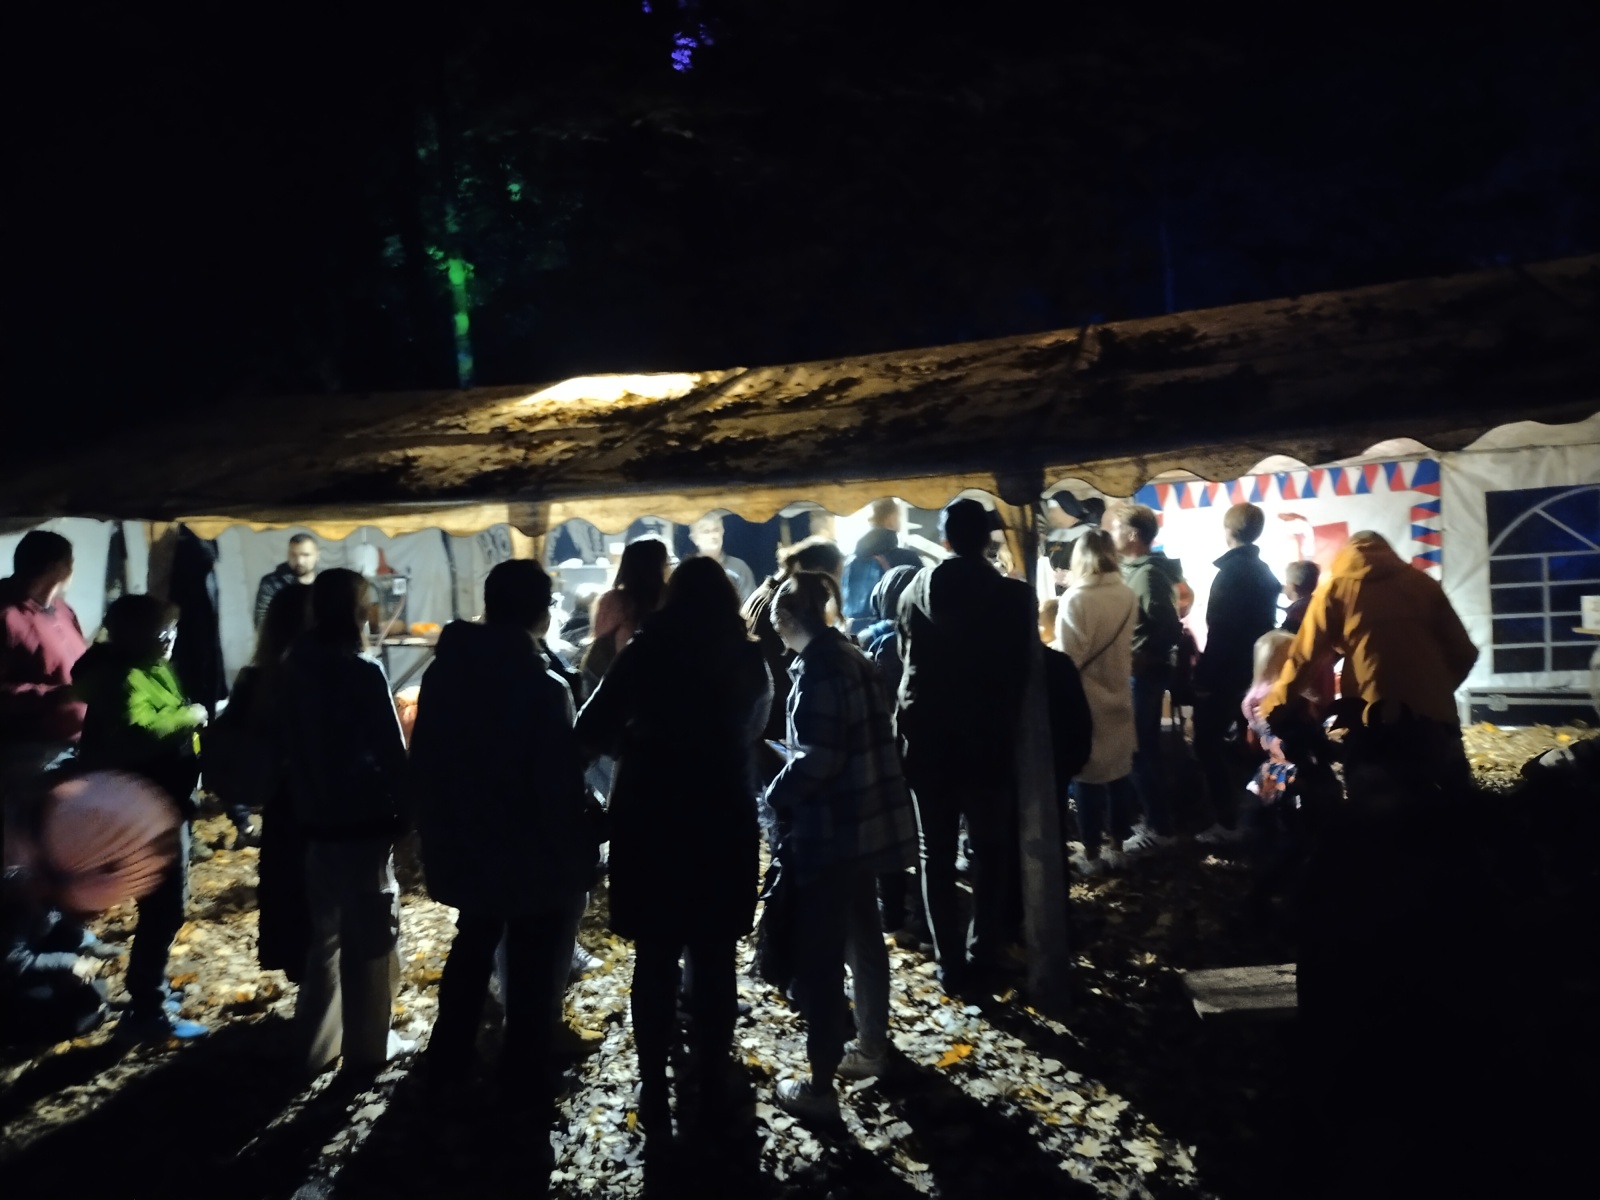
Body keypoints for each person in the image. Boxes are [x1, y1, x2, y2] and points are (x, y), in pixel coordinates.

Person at [575, 557, 771, 1140]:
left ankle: (653, 1084)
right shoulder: (748, 657)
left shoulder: (646, 650)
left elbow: (590, 730)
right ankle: (711, 1077)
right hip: (723, 816)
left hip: (652, 816)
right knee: (714, 955)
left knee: (656, 956)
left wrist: (636, 741)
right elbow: (754, 729)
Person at [412, 561, 597, 1104]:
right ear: (542, 614)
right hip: (529, 844)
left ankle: (448, 1056)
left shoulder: (444, 673)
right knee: (532, 958)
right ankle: (521, 1071)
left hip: (463, 835)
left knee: (474, 939)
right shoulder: (543, 686)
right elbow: (557, 782)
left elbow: (425, 760)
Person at [762, 573, 919, 1120]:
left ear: (787, 620)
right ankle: (872, 1044)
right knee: (864, 936)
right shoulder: (852, 656)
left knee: (824, 954)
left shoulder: (820, 669)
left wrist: (776, 791)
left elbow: (819, 759)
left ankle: (820, 1084)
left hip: (834, 829)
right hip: (866, 819)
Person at [895, 499, 1036, 992]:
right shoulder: (1013, 598)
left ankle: (948, 961)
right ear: (989, 540)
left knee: (933, 852)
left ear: (947, 539)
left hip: (926, 739)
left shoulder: (913, 591)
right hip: (986, 739)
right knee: (988, 849)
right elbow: (1022, 670)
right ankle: (983, 951)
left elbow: (906, 658)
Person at [281, 569, 412, 1077]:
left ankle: (315, 1044)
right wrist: (409, 810)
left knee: (327, 937)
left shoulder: (294, 665)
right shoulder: (360, 670)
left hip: (313, 815)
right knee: (371, 936)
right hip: (362, 815)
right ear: (357, 610)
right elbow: (390, 751)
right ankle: (368, 1047)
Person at [73, 594, 211, 1041]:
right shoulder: (125, 677)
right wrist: (191, 716)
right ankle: (146, 1006)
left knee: (162, 905)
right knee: (164, 906)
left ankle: (151, 990)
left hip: (160, 800)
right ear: (132, 635)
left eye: (172, 629)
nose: (170, 638)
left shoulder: (149, 666)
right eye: (161, 631)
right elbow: (140, 732)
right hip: (147, 809)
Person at [1263, 531, 1478, 790]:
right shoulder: (1423, 584)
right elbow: (1465, 653)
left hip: (1372, 718)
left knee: (1377, 803)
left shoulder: (1335, 590)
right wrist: (1437, 691)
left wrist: (1275, 706)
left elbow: (1303, 657)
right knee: (1450, 804)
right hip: (1434, 720)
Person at [2, 771, 181, 1047]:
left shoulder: (50, 877)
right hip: (9, 971)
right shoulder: (21, 893)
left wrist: (87, 944)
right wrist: (68, 962)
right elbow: (12, 959)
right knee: (68, 1012)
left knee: (89, 996)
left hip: (30, 952)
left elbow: (60, 923)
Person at [210, 586, 313, 972]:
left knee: (288, 888)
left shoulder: (257, 679)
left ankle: (299, 970)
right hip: (322, 804)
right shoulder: (324, 676)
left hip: (281, 804)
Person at [1192, 503, 1281, 844]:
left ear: (1228, 530)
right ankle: (1256, 815)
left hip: (1228, 675)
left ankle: (1227, 821)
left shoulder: (1230, 574)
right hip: (1254, 672)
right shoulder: (1263, 571)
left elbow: (1222, 631)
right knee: (1253, 746)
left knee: (1208, 743)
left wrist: (1204, 678)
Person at [1055, 530, 1139, 877]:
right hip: (1120, 692)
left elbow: (1068, 659)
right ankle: (1118, 847)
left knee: (1088, 778)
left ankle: (1091, 853)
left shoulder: (1076, 599)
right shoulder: (1127, 594)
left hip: (1085, 699)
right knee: (1119, 775)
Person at [1, 531, 87, 864]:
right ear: (58, 568)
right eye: (70, 563)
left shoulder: (62, 611)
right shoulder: (6, 614)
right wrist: (56, 696)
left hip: (72, 746)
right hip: (29, 754)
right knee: (30, 848)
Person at [1107, 502, 1183, 852]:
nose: (1111, 534)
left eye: (1116, 528)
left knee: (1138, 749)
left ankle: (1160, 827)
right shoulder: (1135, 570)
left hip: (1144, 675)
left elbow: (1169, 625)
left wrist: (1146, 656)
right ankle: (1154, 818)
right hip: (1139, 672)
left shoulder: (1149, 574)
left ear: (1133, 534)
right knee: (1143, 747)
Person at [743, 536, 846, 750]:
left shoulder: (764, 595)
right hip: (776, 732)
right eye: (837, 576)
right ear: (819, 573)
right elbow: (783, 676)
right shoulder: (783, 608)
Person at [585, 538, 671, 688]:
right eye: (668, 563)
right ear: (659, 567)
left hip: (615, 684)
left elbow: (599, 635)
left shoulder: (612, 600)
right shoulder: (671, 598)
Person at [841, 499, 923, 632]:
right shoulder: (906, 558)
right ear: (890, 519)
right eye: (898, 515)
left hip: (854, 632)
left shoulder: (850, 562)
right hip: (891, 633)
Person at [255, 533, 319, 629]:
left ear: (317, 556)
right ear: (288, 555)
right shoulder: (272, 583)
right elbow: (262, 622)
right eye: (294, 555)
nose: (299, 561)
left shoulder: (327, 583)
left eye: (306, 555)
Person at [688, 512, 757, 601]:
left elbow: (751, 606)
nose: (713, 535)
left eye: (716, 529)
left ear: (722, 532)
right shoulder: (686, 572)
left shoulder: (739, 568)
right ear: (694, 538)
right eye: (706, 531)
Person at [1281, 560, 1321, 634]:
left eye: (1286, 583)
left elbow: (1284, 636)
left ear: (1293, 586)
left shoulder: (1295, 613)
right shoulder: (1319, 605)